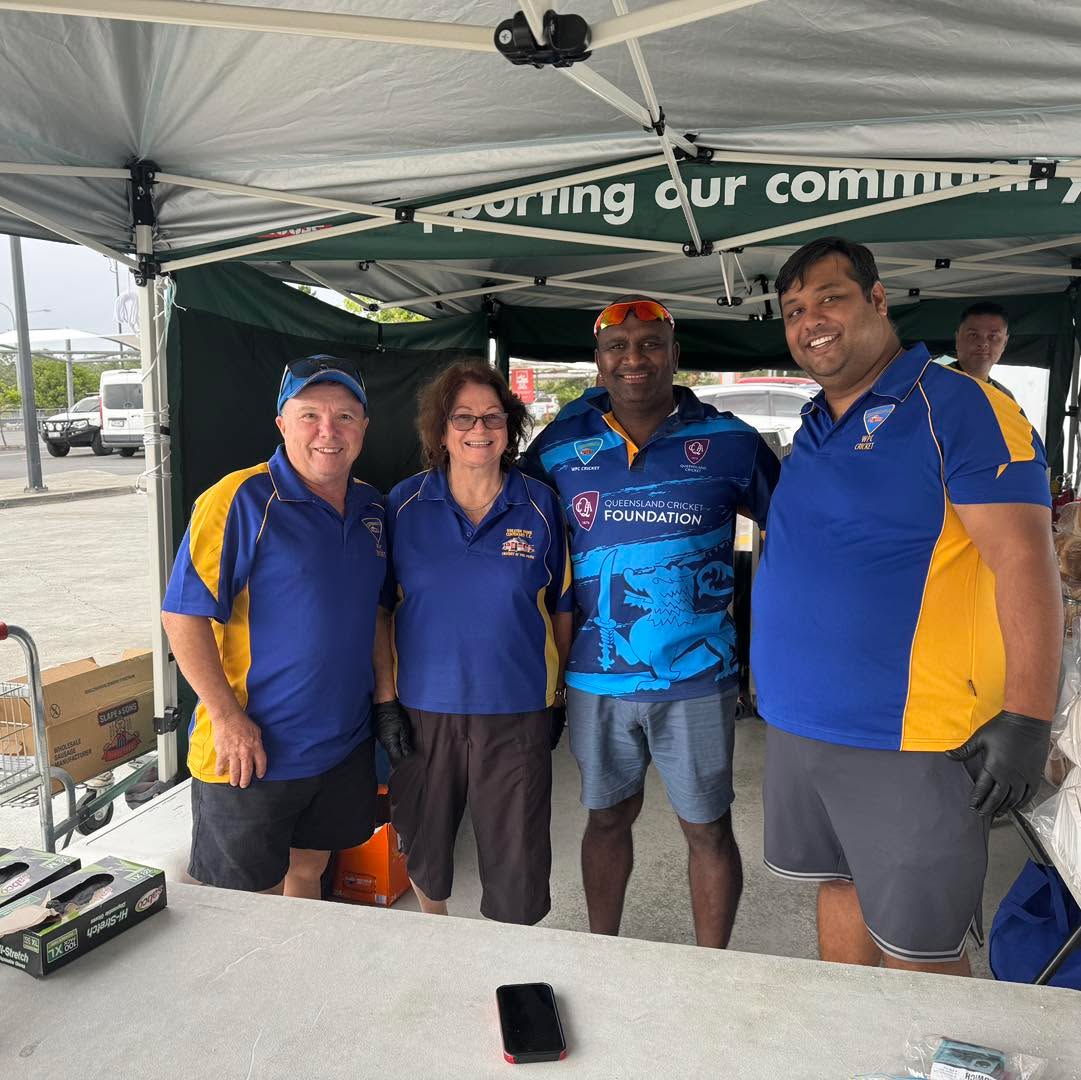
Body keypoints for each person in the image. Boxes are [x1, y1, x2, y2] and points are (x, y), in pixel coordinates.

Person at [753, 237, 1059, 974]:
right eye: (794, 309)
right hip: (799, 725)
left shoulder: (957, 405)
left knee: (920, 950)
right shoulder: (816, 422)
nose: (809, 321)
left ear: (878, 298)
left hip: (911, 736)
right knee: (836, 884)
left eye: (829, 297)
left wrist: (1026, 716)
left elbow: (1025, 560)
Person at [520, 297, 779, 947]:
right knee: (605, 818)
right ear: (598, 361)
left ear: (674, 354)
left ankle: (708, 968)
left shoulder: (731, 443)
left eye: (649, 344)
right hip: (594, 679)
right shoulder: (558, 445)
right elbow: (520, 545)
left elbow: (793, 537)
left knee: (707, 827)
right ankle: (602, 951)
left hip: (698, 679)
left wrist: (769, 654)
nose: (633, 358)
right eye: (618, 346)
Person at [162, 355, 395, 898]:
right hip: (250, 752)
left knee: (309, 873)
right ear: (282, 424)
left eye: (344, 416)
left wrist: (384, 704)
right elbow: (182, 615)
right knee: (246, 909)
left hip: (341, 747)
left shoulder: (371, 508)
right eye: (310, 415)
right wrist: (226, 718)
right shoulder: (240, 499)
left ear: (364, 427)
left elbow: (378, 612)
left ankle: (300, 984)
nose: (327, 432)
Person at [377, 362, 572, 925]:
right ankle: (434, 935)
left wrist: (555, 694)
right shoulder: (402, 506)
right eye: (463, 417)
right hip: (423, 709)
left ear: (509, 429)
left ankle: (507, 969)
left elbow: (560, 606)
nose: (478, 428)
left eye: (492, 417)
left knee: (518, 861)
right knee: (424, 845)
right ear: (441, 430)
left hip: (515, 710)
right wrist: (385, 700)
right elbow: (380, 610)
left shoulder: (540, 506)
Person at [948, 301, 1015, 400]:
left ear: (1004, 343)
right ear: (958, 339)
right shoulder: (929, 384)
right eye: (973, 335)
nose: (983, 343)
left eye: (993, 336)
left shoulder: (1006, 399)